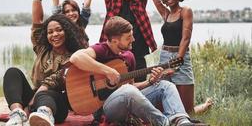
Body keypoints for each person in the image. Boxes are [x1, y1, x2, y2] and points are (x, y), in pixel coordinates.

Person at [70, 16, 207, 126]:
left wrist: (149, 82)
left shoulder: (129, 56)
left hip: (127, 99)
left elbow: (131, 86)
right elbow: (76, 57)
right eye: (128, 38)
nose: (133, 40)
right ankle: (165, 123)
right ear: (115, 41)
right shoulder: (102, 49)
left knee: (165, 86)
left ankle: (181, 121)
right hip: (107, 108)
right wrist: (107, 71)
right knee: (128, 92)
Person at [3, 0, 85, 126]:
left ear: (67, 32)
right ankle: (17, 114)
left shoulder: (75, 56)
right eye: (50, 32)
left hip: (56, 103)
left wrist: (38, 96)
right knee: (12, 72)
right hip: (34, 97)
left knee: (47, 94)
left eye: (59, 30)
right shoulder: (42, 49)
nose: (54, 35)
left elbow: (57, 79)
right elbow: (37, 20)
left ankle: (43, 115)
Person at [147, 0, 213, 114]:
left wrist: (176, 63)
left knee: (187, 112)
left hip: (181, 58)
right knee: (164, 107)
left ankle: (205, 106)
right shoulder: (165, 14)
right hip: (164, 57)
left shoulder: (186, 11)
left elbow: (186, 39)